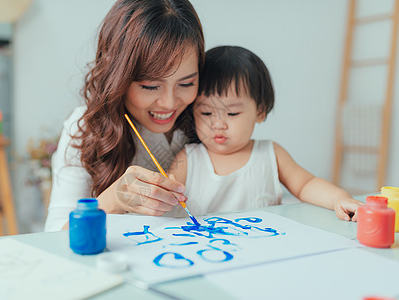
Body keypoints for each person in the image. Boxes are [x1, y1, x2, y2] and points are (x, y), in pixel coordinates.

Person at [44, 0, 204, 231]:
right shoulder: (86, 129)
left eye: (187, 83)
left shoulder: (207, 119)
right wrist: (114, 200)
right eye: (150, 86)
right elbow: (54, 236)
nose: (169, 103)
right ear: (118, 77)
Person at [167, 46, 363, 221]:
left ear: (259, 111)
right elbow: (166, 190)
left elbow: (306, 184)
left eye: (232, 113)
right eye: (206, 113)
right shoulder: (189, 157)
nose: (218, 124)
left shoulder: (270, 153)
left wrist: (340, 199)